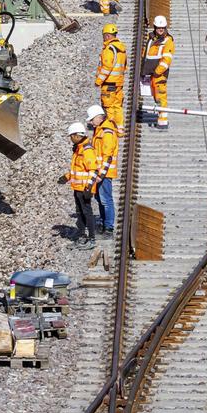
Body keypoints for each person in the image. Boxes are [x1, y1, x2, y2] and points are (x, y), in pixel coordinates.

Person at [66, 124, 99, 246]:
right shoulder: (79, 148)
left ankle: (91, 238)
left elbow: (94, 170)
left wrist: (88, 188)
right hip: (78, 188)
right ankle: (81, 236)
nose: (70, 139)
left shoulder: (86, 150)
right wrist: (67, 177)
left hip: (84, 189)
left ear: (76, 135)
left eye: (71, 136)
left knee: (87, 212)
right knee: (80, 212)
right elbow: (78, 169)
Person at [89, 104, 119, 235]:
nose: (90, 122)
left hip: (104, 173)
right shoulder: (100, 130)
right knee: (100, 198)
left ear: (99, 118)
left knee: (106, 199)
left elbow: (108, 156)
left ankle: (108, 227)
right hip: (99, 172)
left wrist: (101, 174)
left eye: (92, 119)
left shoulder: (106, 132)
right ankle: (102, 223)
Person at [139, 15, 174, 127]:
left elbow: (166, 60)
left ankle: (162, 121)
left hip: (159, 75)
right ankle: (161, 117)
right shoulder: (152, 39)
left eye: (162, 28)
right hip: (152, 74)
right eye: (159, 27)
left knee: (161, 97)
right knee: (156, 97)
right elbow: (145, 54)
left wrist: (157, 72)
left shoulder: (167, 41)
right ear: (154, 27)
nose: (161, 29)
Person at [97, 22, 128, 129]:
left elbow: (106, 68)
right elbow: (124, 67)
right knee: (118, 107)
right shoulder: (121, 49)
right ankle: (120, 129)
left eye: (104, 36)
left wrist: (98, 81)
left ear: (107, 35)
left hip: (109, 84)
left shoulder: (109, 49)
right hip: (119, 83)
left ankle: (111, 130)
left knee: (109, 107)